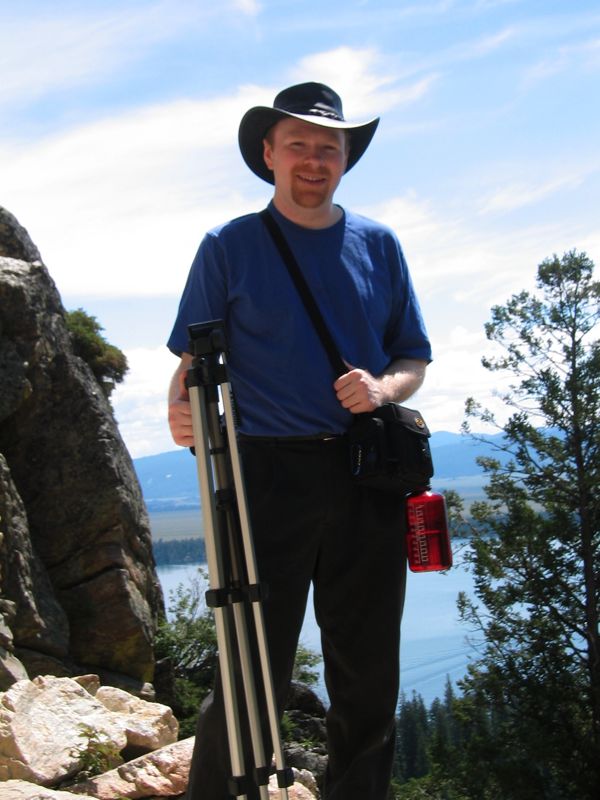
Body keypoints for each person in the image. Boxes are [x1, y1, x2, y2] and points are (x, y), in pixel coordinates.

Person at [167, 82, 432, 800]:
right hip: (265, 475)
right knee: (250, 662)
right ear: (268, 153)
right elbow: (194, 356)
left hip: (364, 474)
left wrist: (383, 390)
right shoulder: (229, 245)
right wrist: (178, 406)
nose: (313, 160)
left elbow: (412, 358)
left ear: (345, 159)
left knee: (368, 668)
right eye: (299, 146)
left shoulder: (379, 244)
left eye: (329, 148)